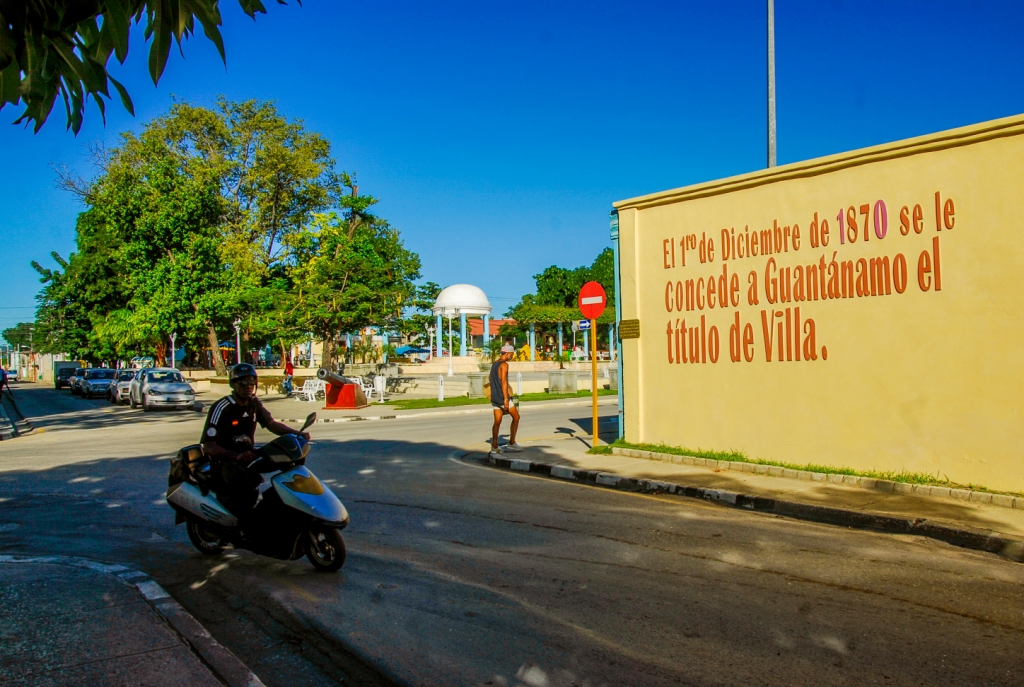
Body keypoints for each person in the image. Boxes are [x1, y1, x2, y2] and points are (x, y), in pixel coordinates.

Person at [200, 363, 311, 518]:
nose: (248, 386)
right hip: (224, 462)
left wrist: (297, 434)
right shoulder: (222, 407)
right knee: (244, 484)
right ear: (233, 384)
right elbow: (208, 446)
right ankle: (241, 524)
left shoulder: (253, 403)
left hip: (248, 456)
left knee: (282, 463)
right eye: (243, 382)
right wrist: (235, 455)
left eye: (252, 382)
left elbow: (271, 424)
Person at [489, 344, 523, 457]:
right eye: (512, 354)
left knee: (497, 421)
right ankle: (512, 443)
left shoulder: (494, 364)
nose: (512, 357)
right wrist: (506, 399)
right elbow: (503, 382)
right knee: (516, 417)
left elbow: (491, 379)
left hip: (494, 396)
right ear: (507, 353)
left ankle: (494, 446)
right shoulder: (504, 365)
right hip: (502, 397)